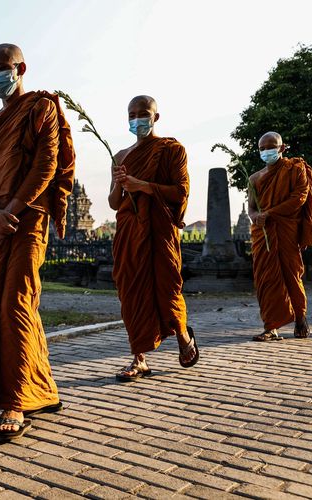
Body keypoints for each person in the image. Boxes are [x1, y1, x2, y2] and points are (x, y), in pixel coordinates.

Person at [0, 43, 75, 439]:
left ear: (20, 68)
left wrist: (12, 209)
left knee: (16, 300)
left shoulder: (41, 109)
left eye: (1, 67)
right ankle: (42, 389)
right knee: (4, 301)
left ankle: (14, 401)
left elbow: (47, 164)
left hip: (28, 219)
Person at [109, 95, 199, 382]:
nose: (137, 119)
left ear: (155, 117)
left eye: (143, 113)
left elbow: (180, 192)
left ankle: (184, 337)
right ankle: (139, 358)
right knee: (131, 292)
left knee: (167, 288)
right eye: (132, 114)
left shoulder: (171, 150)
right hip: (129, 230)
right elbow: (113, 202)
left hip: (159, 231)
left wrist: (142, 186)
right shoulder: (121, 155)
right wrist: (121, 182)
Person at [248, 131, 312, 341]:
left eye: (271, 147)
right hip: (264, 234)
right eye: (262, 148)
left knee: (292, 276)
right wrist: (256, 216)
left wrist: (269, 213)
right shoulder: (255, 178)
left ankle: (300, 317)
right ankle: (271, 326)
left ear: (282, 148)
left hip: (286, 230)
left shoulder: (295, 168)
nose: (267, 151)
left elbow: (299, 198)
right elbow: (251, 209)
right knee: (266, 279)